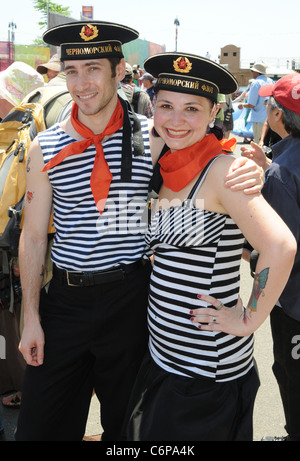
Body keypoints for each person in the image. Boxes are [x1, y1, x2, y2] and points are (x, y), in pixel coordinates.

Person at [15, 20, 265, 442]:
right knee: (41, 427)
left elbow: (208, 152)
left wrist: (248, 164)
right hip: (65, 304)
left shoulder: (154, 137)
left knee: (128, 429)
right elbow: (35, 236)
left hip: (131, 301)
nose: (81, 84)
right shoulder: (46, 146)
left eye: (94, 69)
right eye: (71, 72)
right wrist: (30, 318)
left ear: (119, 73)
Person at [125, 52, 296, 441]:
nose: (176, 119)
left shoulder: (222, 170)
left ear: (212, 113)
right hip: (164, 356)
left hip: (204, 370)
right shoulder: (165, 160)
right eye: (166, 106)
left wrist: (249, 318)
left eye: (191, 109)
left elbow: (281, 247)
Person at [241, 73, 300, 441]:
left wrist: (249, 255)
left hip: (294, 305)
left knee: (293, 380)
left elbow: (283, 251)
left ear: (277, 114)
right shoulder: (279, 163)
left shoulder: (280, 173)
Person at [0, 61, 44, 410]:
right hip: (12, 248)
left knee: (14, 326)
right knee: (10, 323)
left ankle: (27, 391)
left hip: (15, 250)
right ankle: (20, 388)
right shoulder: (26, 128)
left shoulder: (25, 130)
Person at [238, 62, 273, 144]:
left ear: (256, 72)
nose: (252, 73)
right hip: (270, 118)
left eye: (252, 71)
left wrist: (242, 105)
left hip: (259, 119)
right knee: (269, 145)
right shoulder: (271, 81)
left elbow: (251, 104)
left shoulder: (256, 83)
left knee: (259, 145)